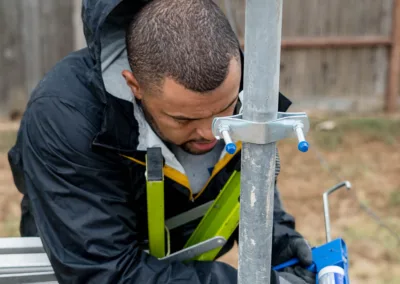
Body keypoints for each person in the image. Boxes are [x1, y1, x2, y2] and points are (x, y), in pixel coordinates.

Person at [8, 0, 315, 283]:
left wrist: (279, 239)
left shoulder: (240, 84)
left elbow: (246, 175)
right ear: (134, 85)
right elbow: (104, 272)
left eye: (227, 111)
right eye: (184, 119)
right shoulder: (65, 119)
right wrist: (248, 280)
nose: (212, 134)